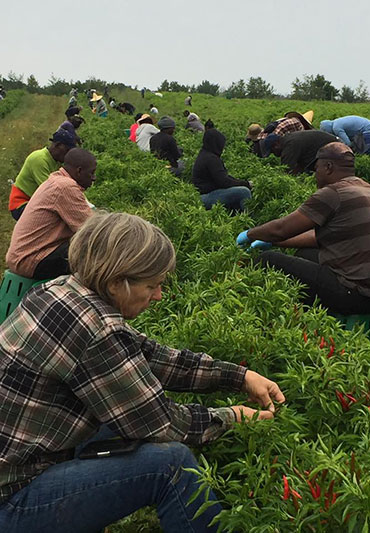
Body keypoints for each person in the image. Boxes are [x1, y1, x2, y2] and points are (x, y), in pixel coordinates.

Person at [0, 211, 285, 533]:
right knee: (171, 465)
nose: (159, 296)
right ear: (116, 283)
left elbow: (150, 356)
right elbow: (165, 424)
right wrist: (234, 417)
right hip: (13, 498)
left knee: (123, 425)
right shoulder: (97, 331)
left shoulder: (59, 290)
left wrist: (238, 376)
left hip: (22, 457)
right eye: (153, 285)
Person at [236, 143, 370, 315]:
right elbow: (315, 238)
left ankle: (282, 317)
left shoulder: (334, 193)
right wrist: (274, 241)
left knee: (267, 260)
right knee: (305, 255)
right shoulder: (369, 190)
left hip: (354, 292)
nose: (315, 175)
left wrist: (250, 234)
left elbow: (281, 228)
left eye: (316, 168)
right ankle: (308, 313)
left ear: (328, 167)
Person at [6, 148, 96, 280]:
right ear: (79, 171)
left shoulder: (56, 180)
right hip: (30, 260)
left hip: (22, 255)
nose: (94, 178)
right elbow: (92, 228)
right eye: (91, 173)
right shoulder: (65, 187)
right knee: (93, 247)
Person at [8, 129, 76, 221]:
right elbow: (51, 191)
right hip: (21, 203)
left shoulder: (56, 161)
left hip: (35, 201)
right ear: (58, 145)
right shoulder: (39, 159)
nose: (68, 155)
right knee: (56, 219)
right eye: (67, 150)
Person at [192, 128, 252, 212]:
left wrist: (241, 182)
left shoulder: (205, 154)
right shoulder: (211, 159)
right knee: (244, 192)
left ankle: (235, 214)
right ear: (216, 144)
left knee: (237, 191)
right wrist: (246, 184)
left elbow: (224, 177)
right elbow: (224, 182)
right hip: (206, 197)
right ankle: (250, 219)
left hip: (204, 194)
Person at [262, 129, 339, 175]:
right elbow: (298, 167)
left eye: (273, 151)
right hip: (330, 145)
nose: (275, 155)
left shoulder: (290, 145)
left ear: (276, 145)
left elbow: (286, 170)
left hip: (333, 149)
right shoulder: (288, 139)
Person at [247, 111, 314, 158]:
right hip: (272, 140)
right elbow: (300, 138)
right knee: (266, 157)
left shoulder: (286, 119)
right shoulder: (299, 124)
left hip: (263, 138)